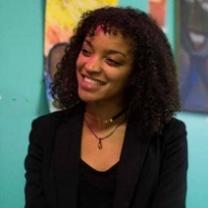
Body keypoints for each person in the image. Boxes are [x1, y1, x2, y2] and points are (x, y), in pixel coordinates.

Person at [24, 6, 188, 208]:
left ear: (138, 74)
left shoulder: (167, 137)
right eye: (86, 51)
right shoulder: (46, 131)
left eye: (111, 60)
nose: (90, 66)